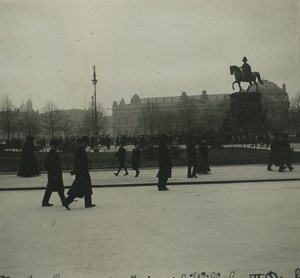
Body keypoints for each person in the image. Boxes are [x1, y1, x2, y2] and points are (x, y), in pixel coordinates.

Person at [63, 136, 95, 210]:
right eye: (86, 143)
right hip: (82, 173)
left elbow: (77, 162)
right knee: (77, 189)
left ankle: (88, 203)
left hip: (82, 172)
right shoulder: (81, 150)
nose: (87, 145)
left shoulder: (80, 150)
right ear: (83, 143)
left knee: (85, 188)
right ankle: (66, 202)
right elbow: (79, 163)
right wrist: (79, 172)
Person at [42, 139, 66, 207]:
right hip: (54, 174)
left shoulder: (52, 153)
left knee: (52, 188)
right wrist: (54, 173)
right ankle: (64, 201)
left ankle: (45, 201)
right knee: (58, 188)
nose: (57, 147)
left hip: (54, 174)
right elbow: (48, 165)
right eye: (56, 145)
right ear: (53, 146)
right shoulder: (52, 154)